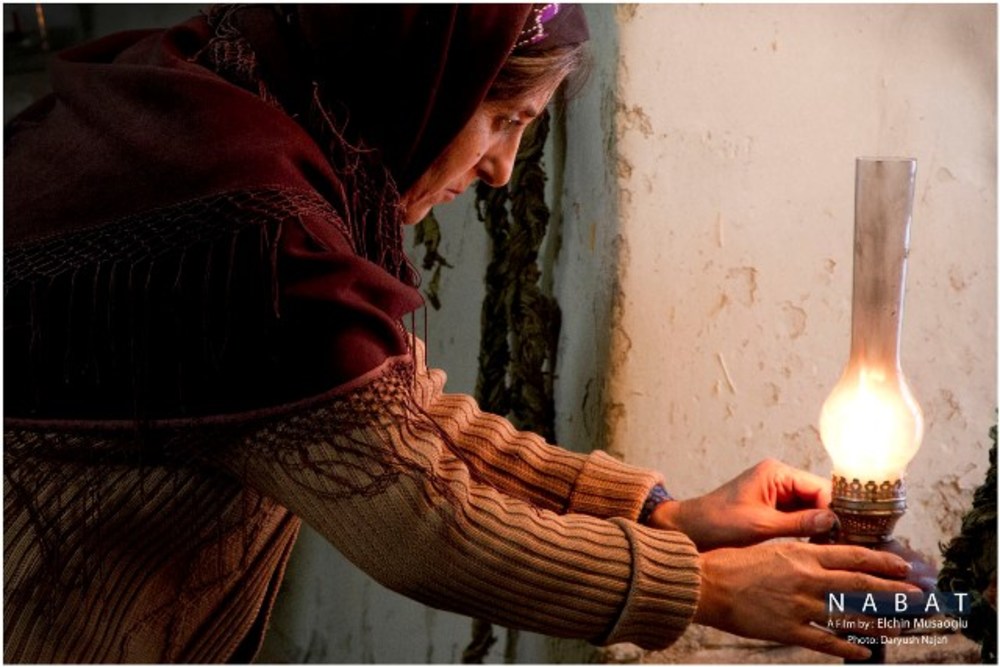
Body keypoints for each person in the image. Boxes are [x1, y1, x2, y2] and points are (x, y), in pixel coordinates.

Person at [4, 4, 919, 663]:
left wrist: (666, 515)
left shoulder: (245, 96)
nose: (501, 168)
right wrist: (708, 588)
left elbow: (399, 417)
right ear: (419, 75)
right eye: (503, 118)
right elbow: (422, 519)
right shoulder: (249, 228)